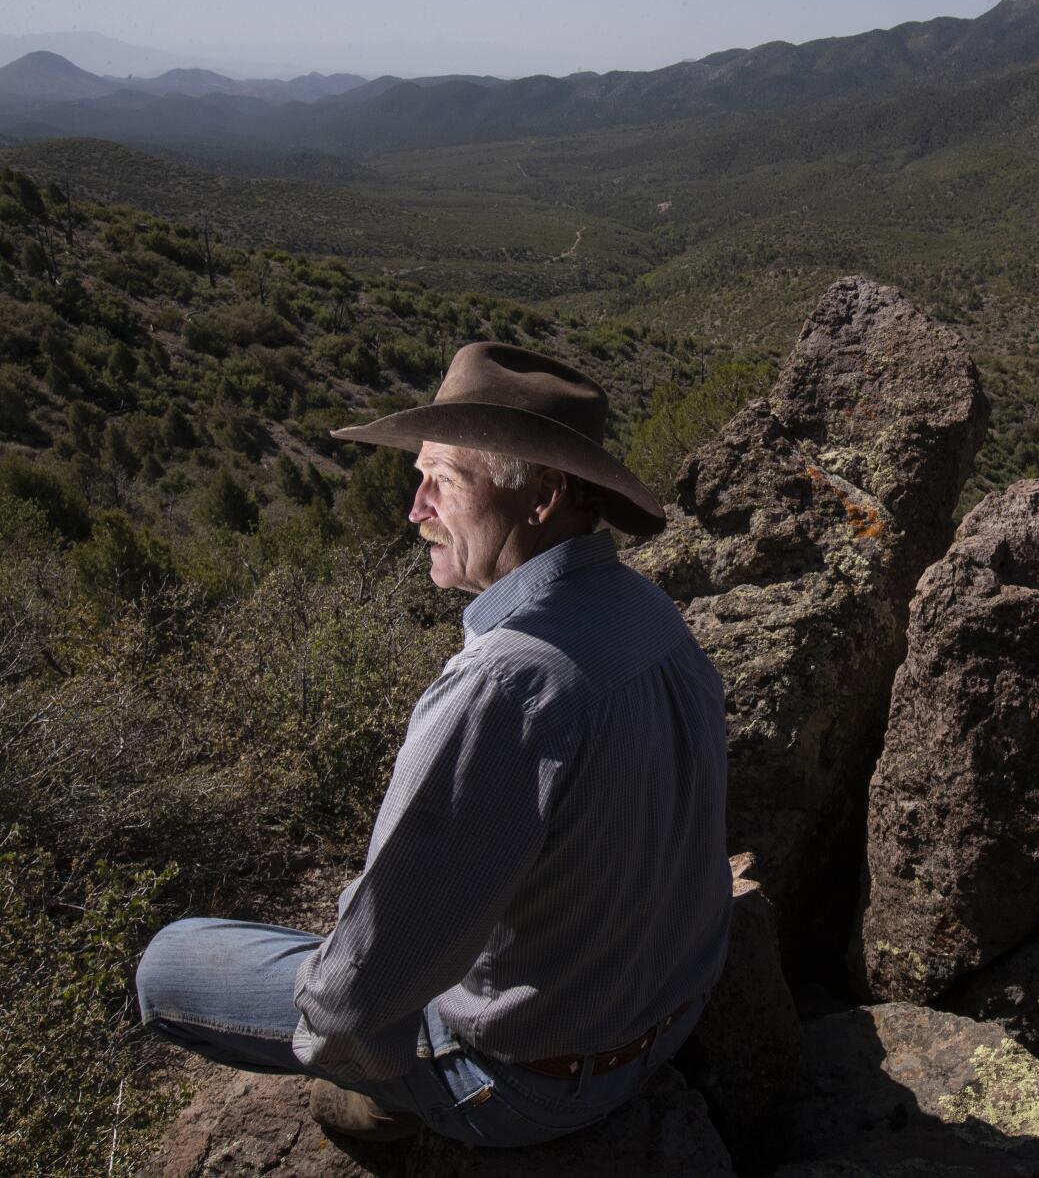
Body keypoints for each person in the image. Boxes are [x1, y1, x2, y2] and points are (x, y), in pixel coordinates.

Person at [134, 342, 732, 1148]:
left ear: (544, 495)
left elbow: (355, 998)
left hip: (529, 1084)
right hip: (669, 1020)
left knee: (170, 964)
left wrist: (357, 1048)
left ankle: (397, 1105)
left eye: (441, 483)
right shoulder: (650, 613)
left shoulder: (507, 683)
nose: (415, 510)